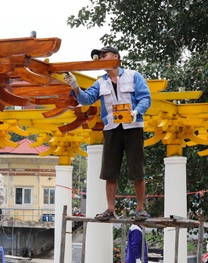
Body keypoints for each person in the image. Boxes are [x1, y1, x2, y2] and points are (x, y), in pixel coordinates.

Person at [64, 46, 152, 220]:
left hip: (132, 126)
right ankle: (110, 209)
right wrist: (75, 87)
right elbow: (86, 99)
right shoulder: (100, 82)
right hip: (112, 128)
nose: (102, 58)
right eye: (100, 57)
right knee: (109, 171)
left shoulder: (133, 76)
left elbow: (146, 97)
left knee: (137, 169)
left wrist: (137, 110)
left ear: (116, 56)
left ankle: (140, 208)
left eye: (105, 55)